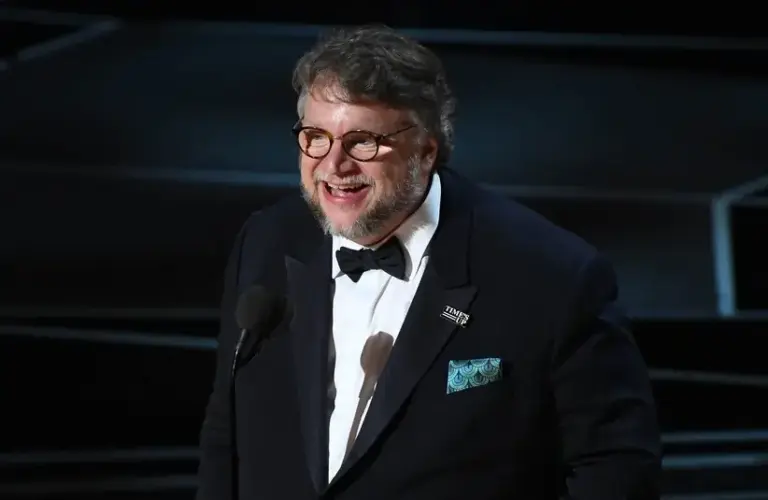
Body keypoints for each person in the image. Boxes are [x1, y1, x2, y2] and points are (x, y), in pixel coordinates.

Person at [196, 24, 661, 500]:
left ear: (425, 149)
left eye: (362, 142)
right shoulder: (268, 242)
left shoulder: (551, 276)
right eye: (315, 136)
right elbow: (224, 435)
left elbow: (615, 473)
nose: (333, 165)